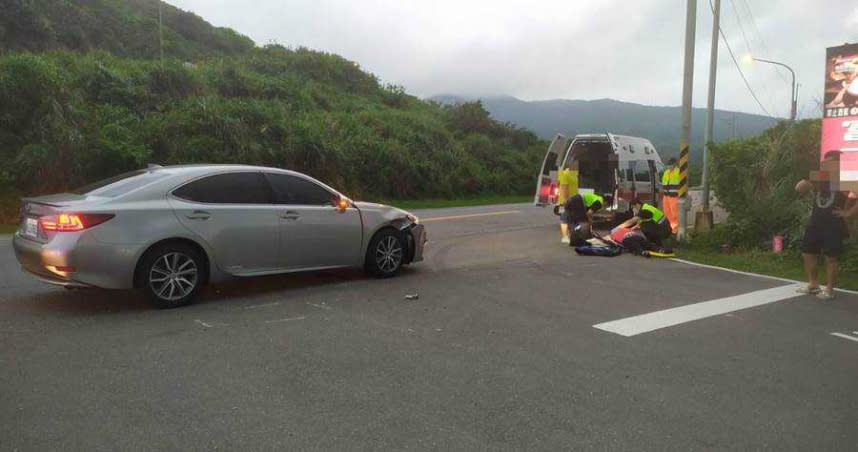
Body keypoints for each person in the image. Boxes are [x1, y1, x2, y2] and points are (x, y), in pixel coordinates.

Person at [795, 151, 858, 299]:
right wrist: (808, 177)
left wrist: (848, 213)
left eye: (830, 162)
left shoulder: (842, 180)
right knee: (808, 252)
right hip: (816, 222)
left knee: (831, 257)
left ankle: (829, 289)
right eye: (825, 162)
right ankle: (813, 284)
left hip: (833, 223)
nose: (827, 164)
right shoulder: (820, 178)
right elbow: (799, 188)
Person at [557, 161, 579, 244]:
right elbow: (564, 189)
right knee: (565, 219)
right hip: (565, 200)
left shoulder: (575, 173)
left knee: (572, 219)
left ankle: (570, 236)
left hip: (574, 200)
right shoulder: (564, 174)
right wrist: (567, 200)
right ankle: (565, 237)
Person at [661, 158, 680, 234]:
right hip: (666, 196)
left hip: (674, 196)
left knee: (675, 213)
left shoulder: (678, 171)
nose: (669, 166)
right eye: (668, 165)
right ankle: (671, 228)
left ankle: (676, 230)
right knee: (667, 212)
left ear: (675, 164)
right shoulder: (666, 172)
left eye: (670, 165)